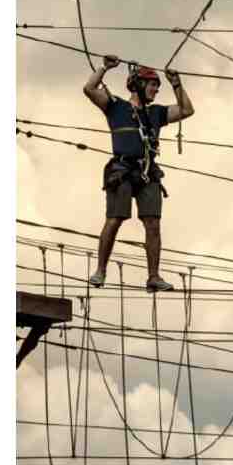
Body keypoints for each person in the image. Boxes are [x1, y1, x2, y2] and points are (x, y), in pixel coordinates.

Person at [83, 55, 195, 292]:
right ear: (139, 85)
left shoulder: (155, 113)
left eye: (157, 86)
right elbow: (90, 88)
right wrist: (105, 67)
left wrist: (176, 84)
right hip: (122, 170)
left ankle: (153, 276)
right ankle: (101, 270)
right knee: (115, 219)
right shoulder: (116, 107)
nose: (156, 90)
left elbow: (186, 109)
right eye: (153, 85)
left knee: (153, 223)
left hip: (147, 173)